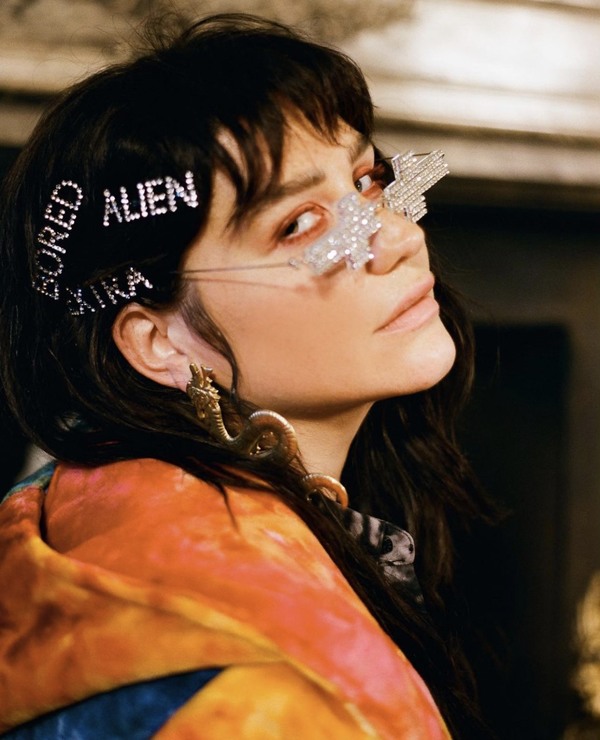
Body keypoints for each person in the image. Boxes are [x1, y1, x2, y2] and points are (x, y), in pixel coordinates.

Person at [0, 13, 494, 738]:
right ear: (161, 342)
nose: (398, 237)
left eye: (367, 182)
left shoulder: (93, 498)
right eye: (300, 225)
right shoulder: (264, 679)